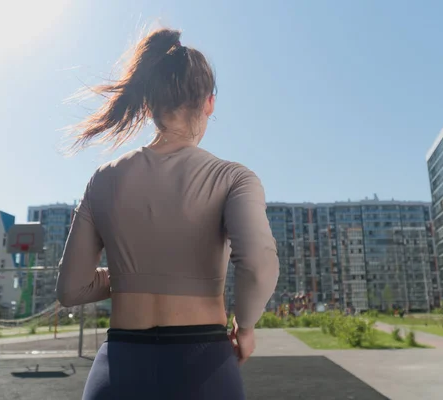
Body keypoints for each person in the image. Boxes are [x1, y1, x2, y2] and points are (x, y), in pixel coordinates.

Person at [55, 28, 280, 400]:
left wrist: (133, 277)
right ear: (209, 102)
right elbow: (258, 265)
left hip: (118, 371)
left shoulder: (102, 179)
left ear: (147, 103)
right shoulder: (234, 177)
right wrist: (246, 327)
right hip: (203, 369)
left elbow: (70, 288)